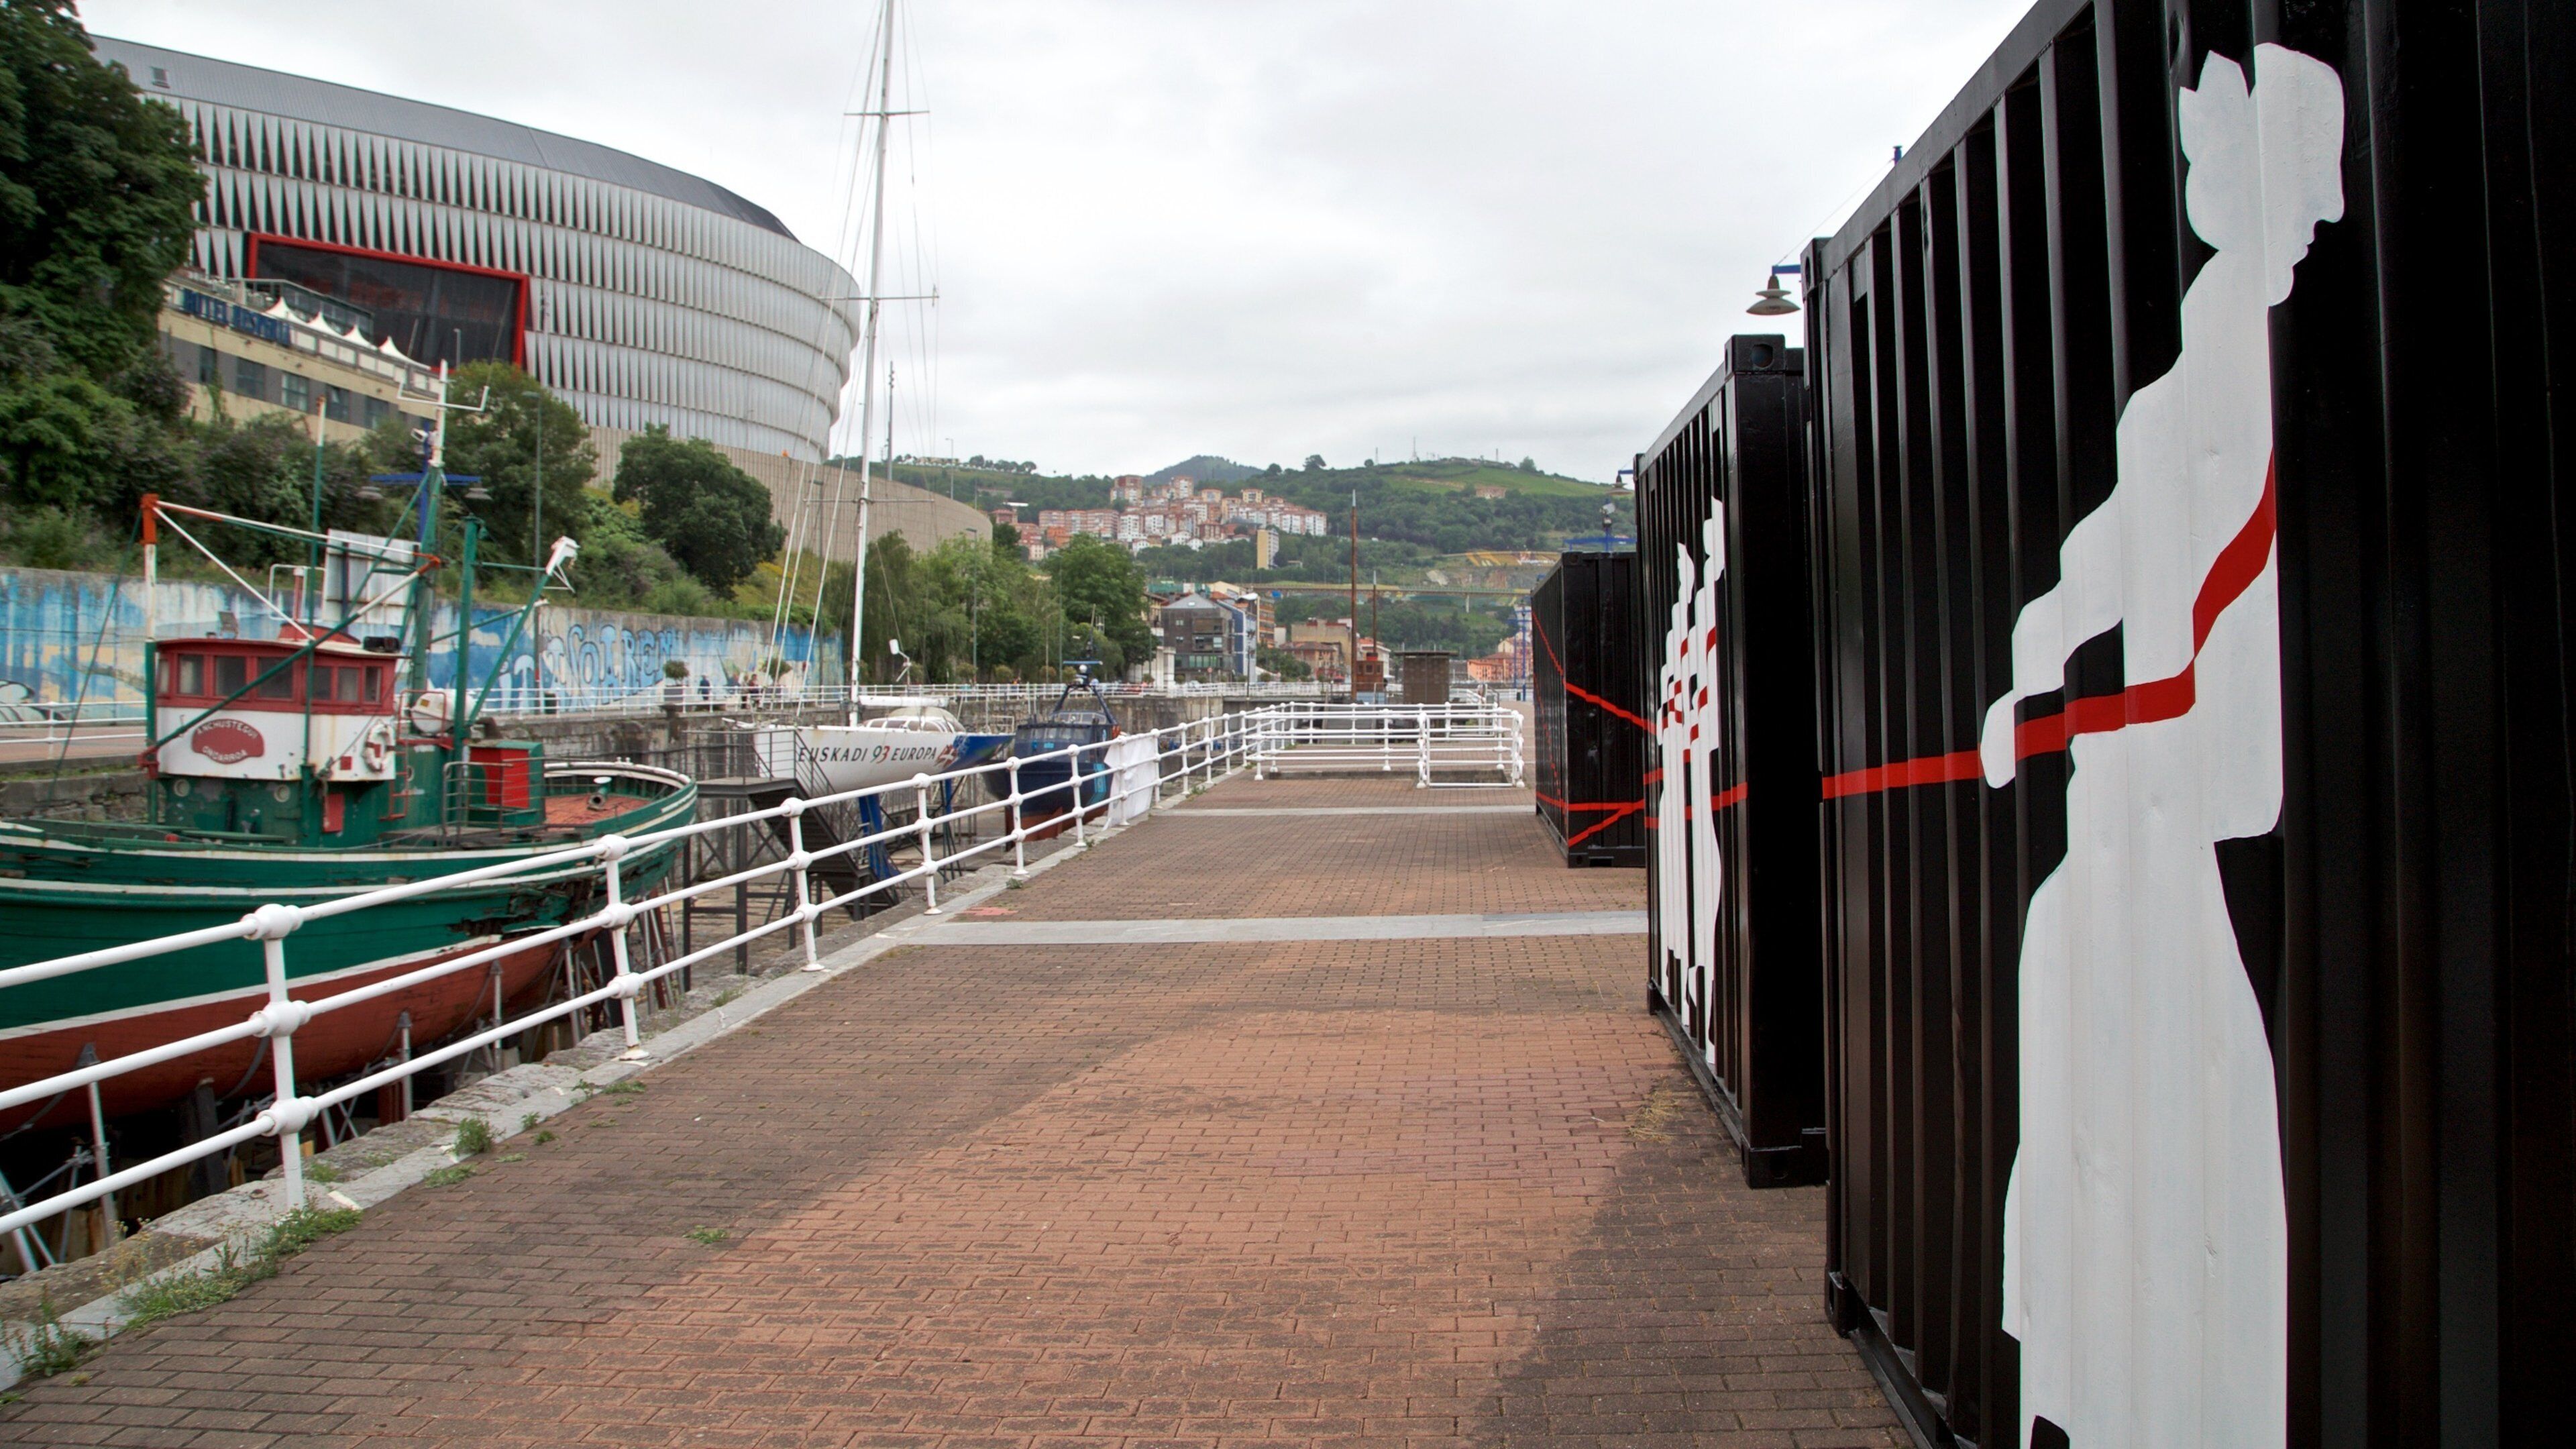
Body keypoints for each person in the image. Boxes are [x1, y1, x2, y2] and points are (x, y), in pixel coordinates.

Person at [1980, 44, 2345, 1449]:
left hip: (2153, 813)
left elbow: (2195, 600)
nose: (2198, 171)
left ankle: (2165, 1391)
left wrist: (2071, 695)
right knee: (2092, 1039)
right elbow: (2106, 556)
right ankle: (2086, 1382)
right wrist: (2033, 660)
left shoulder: (2242, 369)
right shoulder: (2200, 353)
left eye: (2218, 149)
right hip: (2117, 813)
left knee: (2167, 1084)